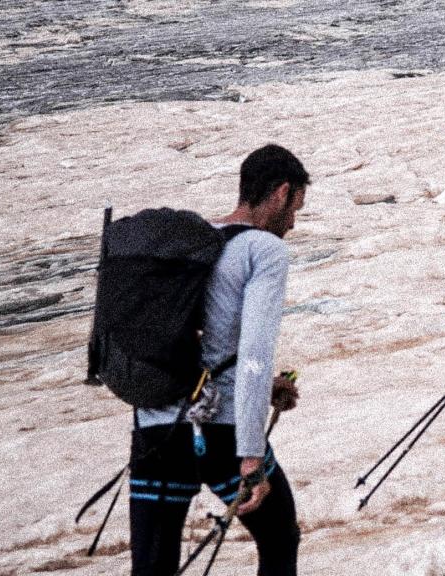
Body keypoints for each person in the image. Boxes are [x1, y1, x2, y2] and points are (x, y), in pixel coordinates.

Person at [129, 144, 309, 576]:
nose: (293, 222)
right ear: (282, 192)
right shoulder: (263, 250)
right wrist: (250, 456)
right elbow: (252, 354)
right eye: (296, 208)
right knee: (280, 538)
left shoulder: (193, 241)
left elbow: (200, 342)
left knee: (153, 568)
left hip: (156, 423)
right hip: (221, 429)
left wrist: (266, 389)